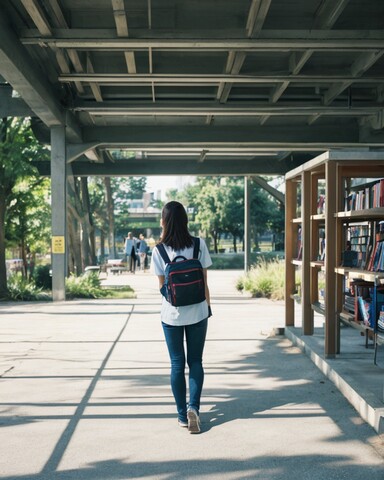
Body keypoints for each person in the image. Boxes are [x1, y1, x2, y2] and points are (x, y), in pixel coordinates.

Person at [151, 201, 212, 434]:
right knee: (195, 361)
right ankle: (193, 407)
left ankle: (181, 416)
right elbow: (205, 282)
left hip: (172, 315)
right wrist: (207, 306)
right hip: (198, 311)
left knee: (177, 363)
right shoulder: (199, 244)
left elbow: (161, 286)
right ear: (186, 220)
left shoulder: (159, 250)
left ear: (164, 222)